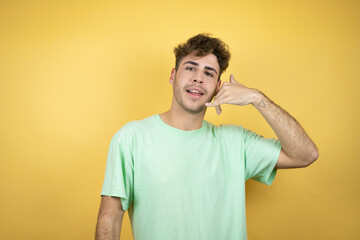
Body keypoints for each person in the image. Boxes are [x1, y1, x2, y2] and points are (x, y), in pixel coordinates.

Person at [95, 33, 319, 240]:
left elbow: (305, 154)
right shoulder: (132, 137)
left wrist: (256, 97)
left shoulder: (236, 143)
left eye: (209, 73)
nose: (198, 79)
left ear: (218, 87)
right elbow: (111, 217)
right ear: (173, 76)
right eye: (191, 68)